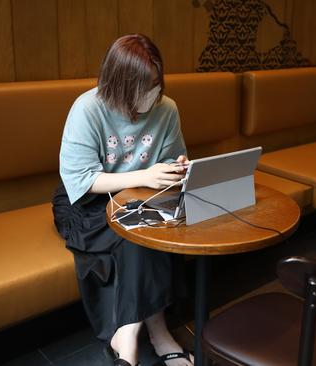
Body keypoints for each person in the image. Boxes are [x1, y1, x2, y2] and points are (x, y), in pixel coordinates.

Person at [52, 34, 193, 366]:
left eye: (156, 84)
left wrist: (176, 169)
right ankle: (158, 334)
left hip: (139, 195)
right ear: (117, 83)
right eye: (142, 87)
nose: (151, 94)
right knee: (137, 233)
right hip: (85, 201)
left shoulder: (167, 108)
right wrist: (144, 176)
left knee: (150, 227)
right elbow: (82, 180)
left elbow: (174, 157)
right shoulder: (88, 109)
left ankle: (126, 336)